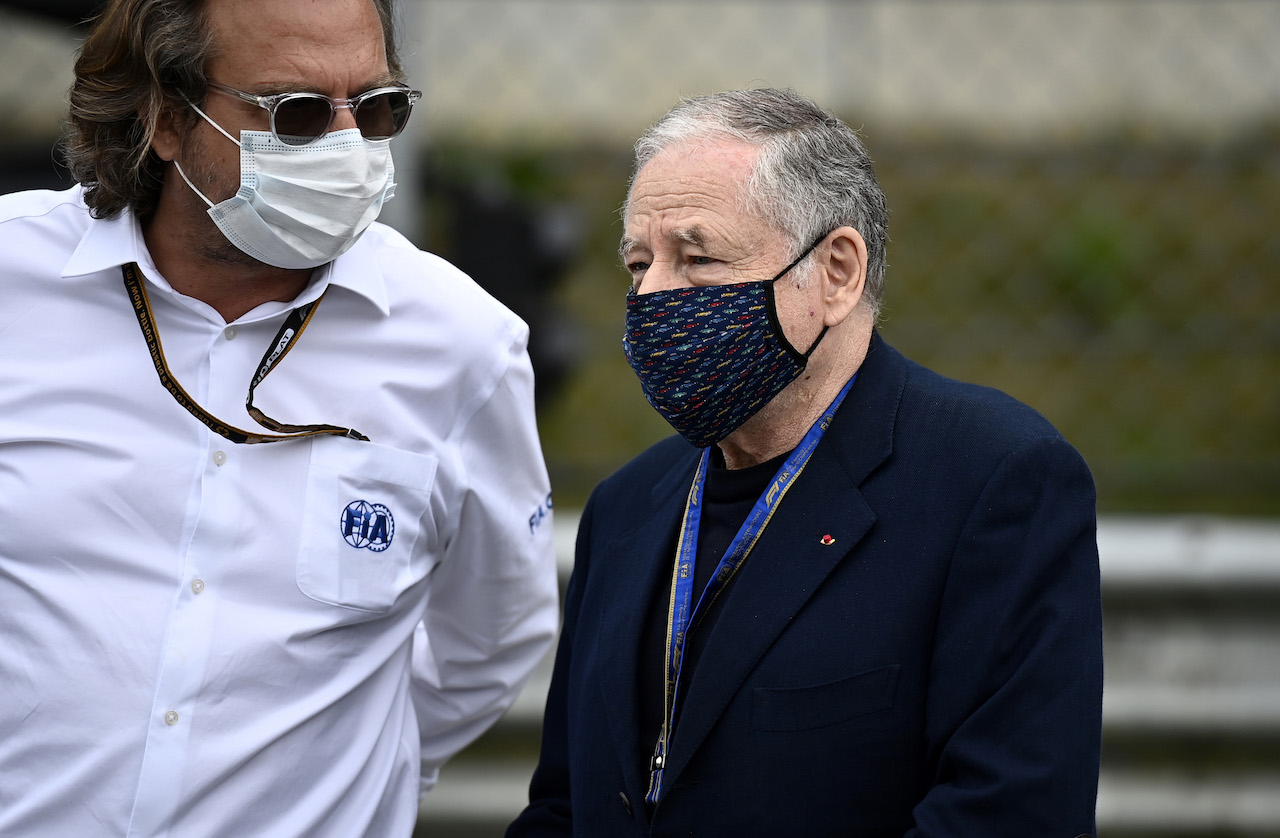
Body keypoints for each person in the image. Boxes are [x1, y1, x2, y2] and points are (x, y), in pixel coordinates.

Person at [0, 0, 559, 835]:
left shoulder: (461, 343)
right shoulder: (14, 283)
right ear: (163, 117)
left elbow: (495, 634)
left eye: (377, 110)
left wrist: (349, 781)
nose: (345, 147)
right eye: (293, 114)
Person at [508, 87, 1103, 837]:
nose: (652, 294)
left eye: (697, 258)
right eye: (638, 263)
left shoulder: (992, 480)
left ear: (836, 272)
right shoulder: (627, 508)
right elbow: (564, 805)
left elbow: (1012, 814)